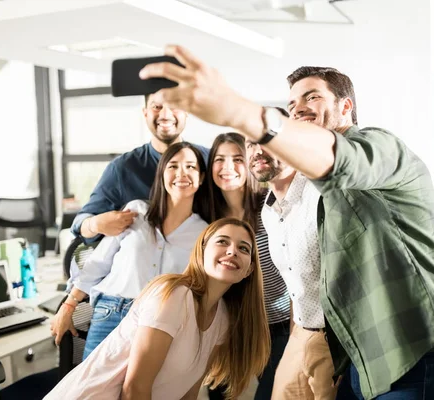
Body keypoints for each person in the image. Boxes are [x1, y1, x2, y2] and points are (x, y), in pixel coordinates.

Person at [138, 45, 434, 400]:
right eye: (291, 104)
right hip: (365, 360)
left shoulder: (382, 149)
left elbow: (339, 160)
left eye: (312, 96)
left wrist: (238, 112)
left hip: (425, 358)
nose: (297, 108)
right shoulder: (276, 209)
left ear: (345, 106)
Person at [45, 217, 271, 400]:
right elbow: (135, 389)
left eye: (243, 248)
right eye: (222, 242)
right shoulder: (173, 294)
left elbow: (188, 394)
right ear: (201, 252)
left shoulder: (223, 318)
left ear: (249, 270)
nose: (232, 251)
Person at [50, 142, 211, 359]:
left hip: (160, 322)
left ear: (201, 178)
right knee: (91, 391)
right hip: (111, 312)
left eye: (190, 167)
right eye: (173, 166)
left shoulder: (205, 233)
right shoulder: (136, 211)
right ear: (161, 175)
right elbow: (98, 263)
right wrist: (68, 306)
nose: (182, 173)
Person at [247, 137, 336, 399]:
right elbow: (294, 284)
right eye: (251, 144)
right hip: (300, 332)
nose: (258, 150)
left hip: (333, 337)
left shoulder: (319, 194)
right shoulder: (268, 211)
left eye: (267, 140)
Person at [205, 132, 291, 400]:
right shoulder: (206, 216)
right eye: (220, 159)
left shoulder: (269, 204)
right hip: (233, 322)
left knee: (271, 394)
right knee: (218, 392)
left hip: (280, 322)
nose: (228, 167)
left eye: (237, 159)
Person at [70, 92, 210, 244]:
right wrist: (95, 224)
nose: (165, 114)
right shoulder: (123, 169)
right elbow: (81, 222)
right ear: (145, 113)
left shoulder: (211, 161)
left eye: (174, 107)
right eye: (156, 107)